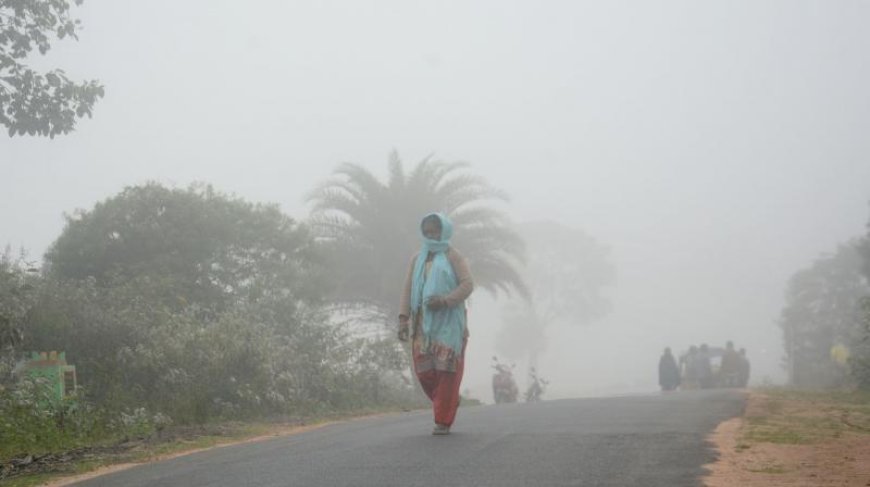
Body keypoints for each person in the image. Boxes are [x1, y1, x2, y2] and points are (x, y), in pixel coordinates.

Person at [398, 213, 474, 435]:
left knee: (447, 372)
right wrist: (403, 319)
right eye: (428, 232)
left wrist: (444, 301)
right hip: (423, 326)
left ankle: (443, 420)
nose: (431, 236)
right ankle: (447, 400)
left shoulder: (453, 256)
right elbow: (408, 289)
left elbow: (468, 284)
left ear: (444, 232)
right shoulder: (417, 259)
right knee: (425, 372)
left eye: (435, 231)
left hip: (449, 325)